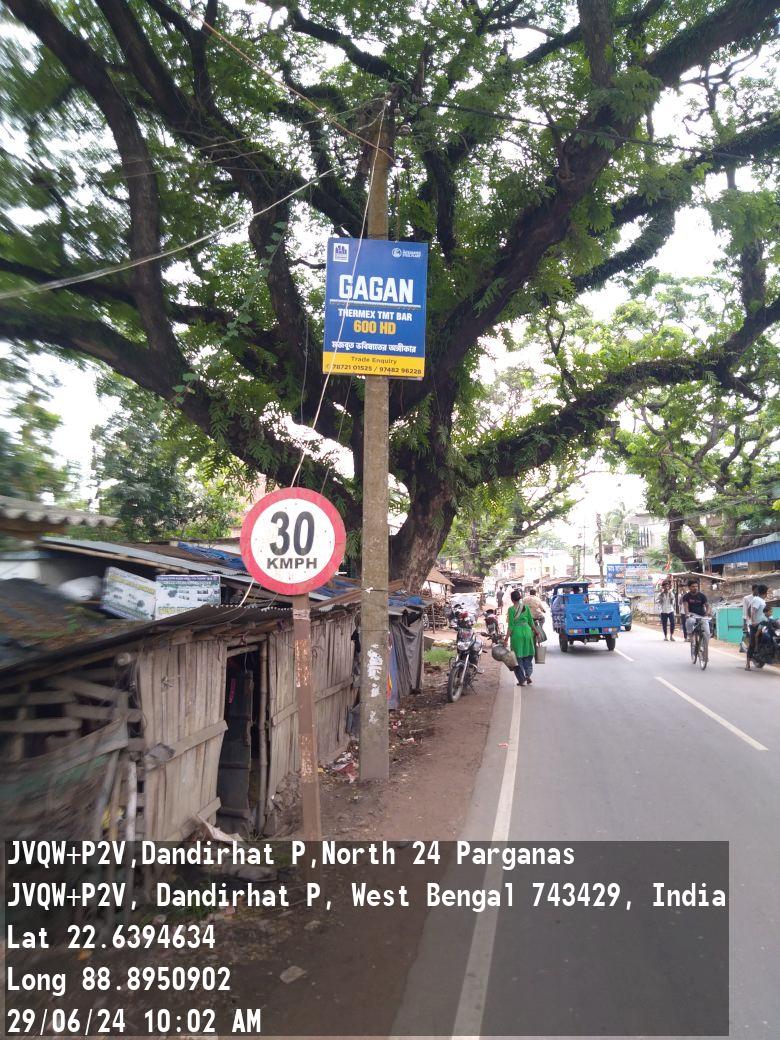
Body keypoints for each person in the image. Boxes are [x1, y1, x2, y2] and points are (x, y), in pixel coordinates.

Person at [506, 589, 536, 686]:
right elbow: (531, 621)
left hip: (517, 634)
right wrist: (536, 631)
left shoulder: (511, 609)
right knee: (528, 655)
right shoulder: (526, 607)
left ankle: (521, 679)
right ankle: (528, 674)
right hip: (527, 632)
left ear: (512, 599)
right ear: (519, 598)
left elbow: (511, 626)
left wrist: (506, 639)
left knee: (517, 658)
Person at [681, 580, 711, 648]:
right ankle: (690, 636)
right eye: (693, 586)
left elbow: (708, 606)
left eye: (696, 586)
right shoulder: (686, 596)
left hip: (702, 615)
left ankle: (703, 648)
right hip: (692, 614)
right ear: (689, 587)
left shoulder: (702, 596)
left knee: (707, 633)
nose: (695, 588)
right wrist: (687, 614)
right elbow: (686, 607)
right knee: (689, 621)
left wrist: (707, 613)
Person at [746, 584, 768, 671]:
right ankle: (747, 664)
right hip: (755, 625)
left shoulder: (761, 600)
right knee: (753, 644)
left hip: (762, 624)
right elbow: (753, 611)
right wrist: (753, 621)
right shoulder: (757, 599)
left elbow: (748, 609)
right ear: (765, 592)